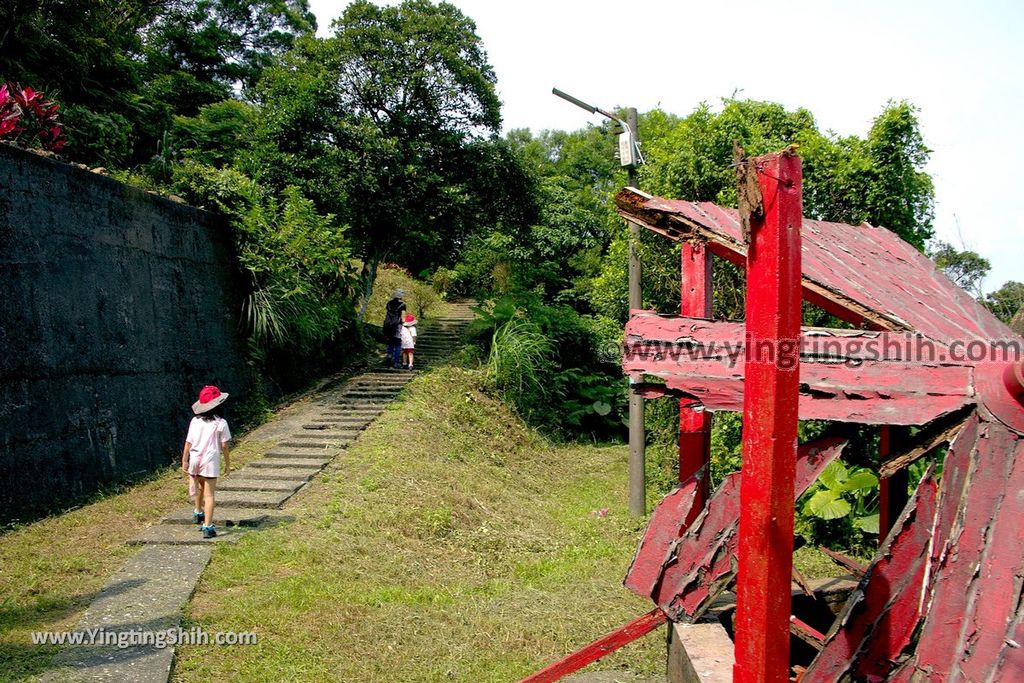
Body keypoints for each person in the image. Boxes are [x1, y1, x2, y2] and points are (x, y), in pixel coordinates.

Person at [181, 385, 232, 538]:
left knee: (198, 488)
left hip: (195, 459)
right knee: (209, 494)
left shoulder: (195, 421)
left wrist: (184, 460)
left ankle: (198, 512)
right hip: (210, 461)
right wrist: (228, 464)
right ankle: (208, 526)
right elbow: (224, 445)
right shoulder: (221, 423)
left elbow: (188, 442)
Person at [383, 289, 407, 369]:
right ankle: (396, 362)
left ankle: (389, 356)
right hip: (396, 326)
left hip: (387, 325)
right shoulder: (402, 305)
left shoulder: (389, 303)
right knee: (397, 344)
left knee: (390, 342)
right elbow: (403, 319)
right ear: (401, 296)